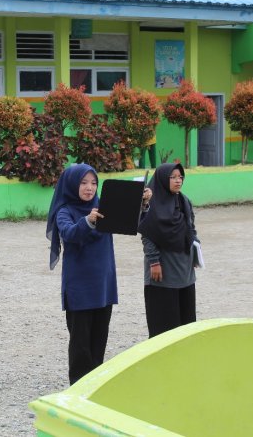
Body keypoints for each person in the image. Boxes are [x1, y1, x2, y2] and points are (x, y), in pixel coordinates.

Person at [46, 164, 151, 385]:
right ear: (72, 185)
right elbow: (70, 233)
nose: (89, 188)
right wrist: (88, 221)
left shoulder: (103, 205)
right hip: (79, 287)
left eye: (94, 183)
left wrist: (142, 204)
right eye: (83, 183)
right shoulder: (65, 211)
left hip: (103, 283)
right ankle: (78, 387)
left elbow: (130, 224)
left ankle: (95, 386)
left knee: (99, 339)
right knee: (81, 343)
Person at [138, 163, 198, 338]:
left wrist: (195, 252)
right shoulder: (151, 204)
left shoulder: (184, 201)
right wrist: (154, 262)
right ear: (163, 179)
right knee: (164, 326)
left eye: (180, 177)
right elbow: (147, 234)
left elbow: (191, 229)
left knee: (186, 324)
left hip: (185, 270)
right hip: (163, 270)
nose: (178, 181)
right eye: (173, 177)